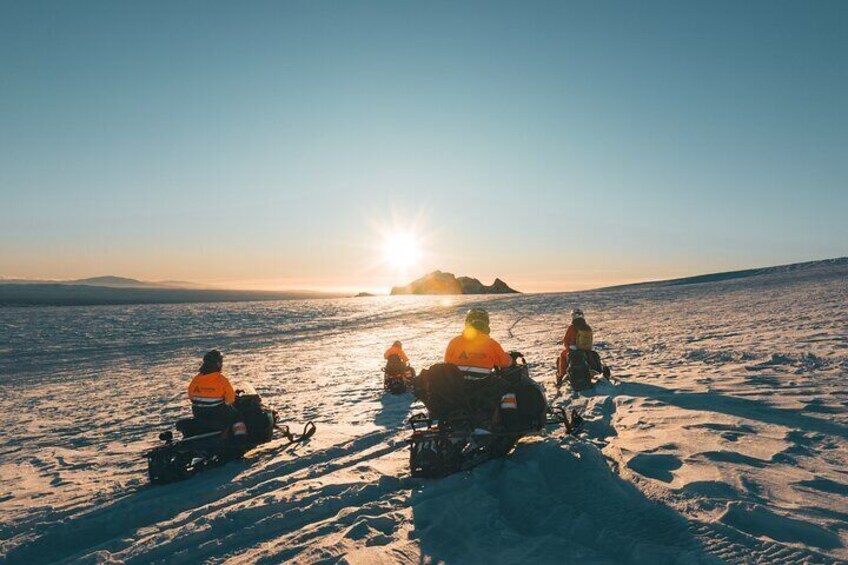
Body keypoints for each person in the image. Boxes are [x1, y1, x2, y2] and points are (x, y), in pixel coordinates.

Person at [187, 350, 246, 437]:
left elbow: (191, 396)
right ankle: (241, 438)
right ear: (218, 364)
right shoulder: (220, 379)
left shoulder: (196, 378)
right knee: (237, 416)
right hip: (216, 413)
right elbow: (230, 399)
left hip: (198, 412)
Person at [444, 308, 513, 376]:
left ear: (467, 323)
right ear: (486, 323)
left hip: (459, 384)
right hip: (483, 384)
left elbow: (447, 362)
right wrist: (510, 358)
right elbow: (504, 362)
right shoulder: (491, 344)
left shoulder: (455, 342)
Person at [556, 309, 606, 384]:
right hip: (586, 349)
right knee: (591, 357)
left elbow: (566, 341)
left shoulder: (572, 327)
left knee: (563, 357)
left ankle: (561, 376)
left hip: (573, 350)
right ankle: (597, 371)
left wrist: (569, 346)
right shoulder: (587, 327)